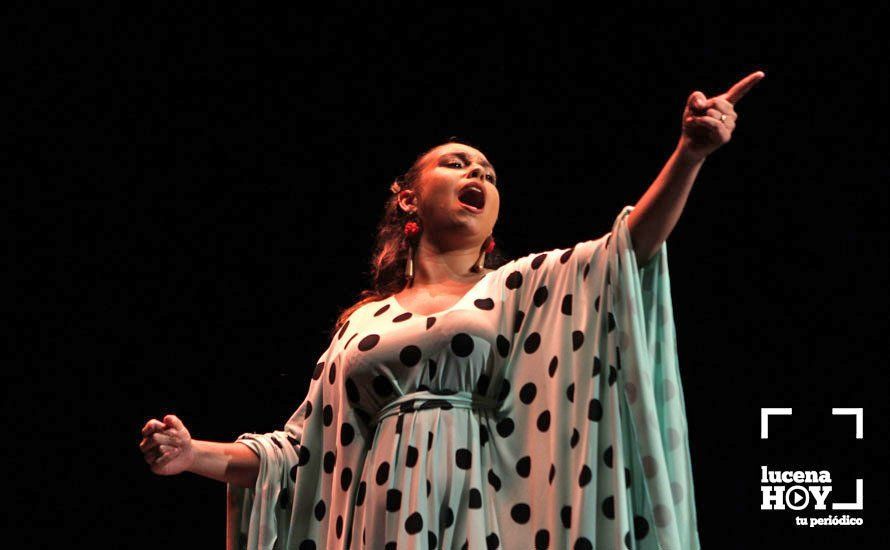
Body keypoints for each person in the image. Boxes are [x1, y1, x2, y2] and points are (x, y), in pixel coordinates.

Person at [140, 71, 765, 550]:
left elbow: (625, 251)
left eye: (488, 173)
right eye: (458, 163)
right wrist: (193, 455)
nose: (478, 174)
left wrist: (689, 154)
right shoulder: (362, 324)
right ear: (409, 198)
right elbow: (297, 451)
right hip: (380, 515)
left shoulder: (519, 286)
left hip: (478, 506)